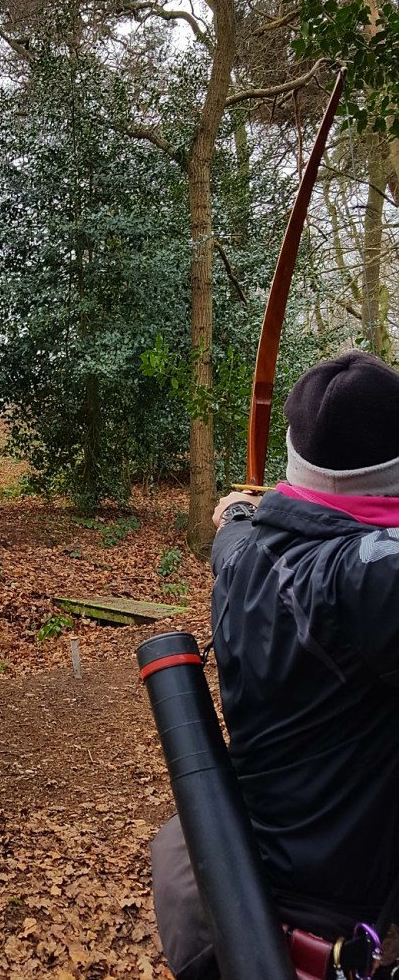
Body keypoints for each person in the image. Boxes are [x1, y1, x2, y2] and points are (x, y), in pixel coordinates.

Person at [152, 350, 399, 979]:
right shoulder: (363, 579)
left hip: (244, 896)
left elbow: (232, 533)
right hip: (328, 931)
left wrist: (237, 512)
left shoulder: (243, 556)